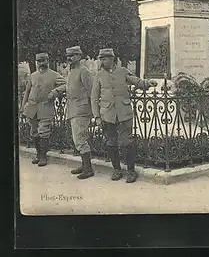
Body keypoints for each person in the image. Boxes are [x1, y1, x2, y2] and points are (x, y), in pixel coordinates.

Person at [91, 48, 158, 183]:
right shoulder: (98, 76)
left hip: (124, 113)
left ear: (112, 59)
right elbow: (94, 97)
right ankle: (116, 169)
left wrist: (147, 83)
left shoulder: (122, 71)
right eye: (101, 59)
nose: (102, 61)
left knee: (127, 143)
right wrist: (97, 117)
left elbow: (136, 81)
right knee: (111, 143)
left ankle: (131, 171)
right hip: (107, 114)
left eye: (105, 59)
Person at [20, 53, 66, 167]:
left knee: (43, 131)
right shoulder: (33, 75)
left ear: (47, 61)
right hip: (32, 107)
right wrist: (22, 106)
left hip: (45, 107)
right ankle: (38, 154)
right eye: (39, 61)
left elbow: (66, 85)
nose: (41, 63)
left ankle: (43, 157)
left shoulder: (54, 75)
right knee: (34, 132)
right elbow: (27, 91)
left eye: (43, 61)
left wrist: (54, 92)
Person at [58, 46, 95, 180]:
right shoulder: (71, 71)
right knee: (77, 138)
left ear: (79, 56)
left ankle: (88, 169)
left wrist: (94, 111)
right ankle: (84, 165)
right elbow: (69, 86)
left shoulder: (83, 71)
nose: (69, 58)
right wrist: (57, 91)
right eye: (68, 55)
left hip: (82, 109)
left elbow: (92, 91)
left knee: (80, 138)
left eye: (73, 55)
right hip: (73, 109)